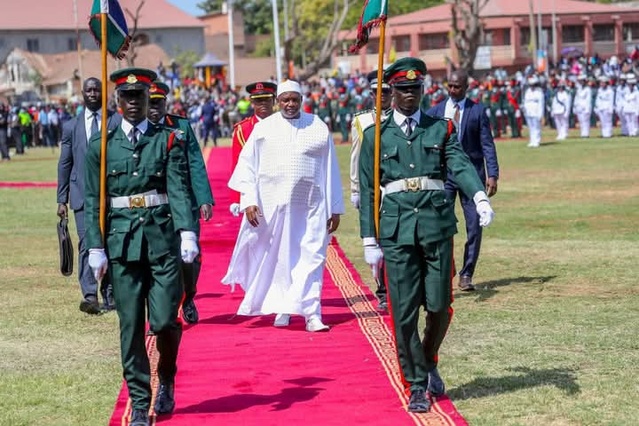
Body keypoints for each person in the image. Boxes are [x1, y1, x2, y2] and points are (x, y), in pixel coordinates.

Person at [358, 58, 495, 413]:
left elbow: (460, 164)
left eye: (415, 89)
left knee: (439, 306)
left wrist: (478, 194)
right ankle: (417, 383)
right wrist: (368, 240)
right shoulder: (376, 135)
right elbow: (370, 192)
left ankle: (429, 356)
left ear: (423, 91)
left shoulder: (440, 128)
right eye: (402, 90)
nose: (409, 96)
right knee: (403, 313)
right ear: (390, 93)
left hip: (435, 227)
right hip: (396, 231)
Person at [84, 68, 198, 426]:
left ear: (150, 100)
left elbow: (178, 188)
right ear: (117, 102)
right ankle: (139, 399)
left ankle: (166, 375)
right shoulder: (100, 145)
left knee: (164, 321)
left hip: (162, 240)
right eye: (127, 97)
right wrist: (95, 246)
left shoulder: (168, 139)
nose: (134, 103)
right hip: (122, 244)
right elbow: (93, 199)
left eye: (140, 97)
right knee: (131, 326)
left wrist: (188, 232)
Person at [221, 80, 344, 333]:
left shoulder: (318, 126)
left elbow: (330, 168)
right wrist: (249, 201)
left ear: (302, 100)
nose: (290, 104)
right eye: (285, 99)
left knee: (312, 258)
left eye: (294, 99)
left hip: (311, 207)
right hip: (273, 209)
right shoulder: (264, 129)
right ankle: (283, 308)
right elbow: (247, 168)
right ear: (278, 101)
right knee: (279, 261)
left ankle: (312, 313)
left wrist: (335, 207)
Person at [147, 81, 214, 325]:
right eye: (150, 103)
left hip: (186, 201)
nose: (155, 108)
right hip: (155, 204)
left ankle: (189, 297)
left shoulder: (181, 126)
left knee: (189, 257)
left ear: (166, 103)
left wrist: (204, 198)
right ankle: (162, 310)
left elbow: (195, 163)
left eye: (159, 103)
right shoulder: (139, 130)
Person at [427, 69, 499, 292]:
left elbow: (487, 144)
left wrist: (493, 174)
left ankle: (467, 273)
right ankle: (444, 271)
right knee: (440, 225)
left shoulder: (477, 111)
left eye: (457, 86)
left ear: (466, 87)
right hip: (444, 177)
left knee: (475, 226)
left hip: (472, 177)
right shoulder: (436, 111)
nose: (452, 90)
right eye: (449, 85)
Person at [57, 77, 120, 314]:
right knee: (87, 244)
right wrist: (61, 199)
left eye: (97, 90)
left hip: (112, 196)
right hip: (82, 195)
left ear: (103, 93)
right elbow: (65, 163)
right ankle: (90, 294)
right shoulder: (71, 126)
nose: (93, 93)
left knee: (111, 244)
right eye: (89, 90)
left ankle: (110, 293)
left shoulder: (115, 120)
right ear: (82, 94)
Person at [349, 69, 392, 309]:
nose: (381, 96)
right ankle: (382, 289)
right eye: (377, 92)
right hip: (371, 188)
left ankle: (393, 286)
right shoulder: (361, 120)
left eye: (385, 92)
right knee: (375, 240)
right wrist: (356, 189)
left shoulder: (400, 116)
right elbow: (355, 157)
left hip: (395, 186)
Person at [229, 81, 277, 217]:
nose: (263, 103)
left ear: (273, 101)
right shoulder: (242, 130)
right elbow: (237, 165)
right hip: (253, 190)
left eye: (267, 100)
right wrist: (236, 198)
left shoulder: (285, 125)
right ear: (251, 103)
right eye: (258, 100)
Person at [523, 75, 544, 148]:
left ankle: (537, 141)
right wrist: (525, 110)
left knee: (536, 127)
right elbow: (525, 101)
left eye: (533, 85)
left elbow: (541, 104)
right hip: (528, 111)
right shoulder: (527, 91)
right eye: (530, 85)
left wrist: (540, 114)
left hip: (536, 111)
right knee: (531, 127)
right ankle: (532, 140)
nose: (532, 86)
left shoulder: (539, 92)